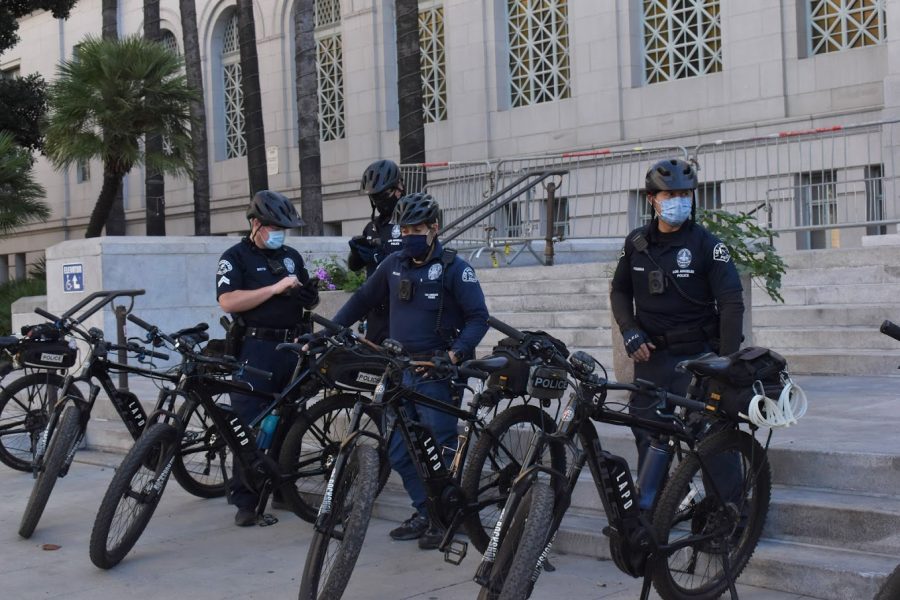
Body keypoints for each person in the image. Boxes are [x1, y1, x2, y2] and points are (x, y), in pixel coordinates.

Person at [331, 192, 489, 549]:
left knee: (439, 446)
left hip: (437, 371)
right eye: (405, 229)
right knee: (400, 450)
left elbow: (478, 318)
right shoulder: (392, 264)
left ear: (434, 228)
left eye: (417, 228)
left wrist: (455, 354)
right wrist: (331, 329)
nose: (409, 235)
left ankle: (445, 516)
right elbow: (361, 300)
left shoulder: (455, 268)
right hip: (399, 370)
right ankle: (425, 511)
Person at [609, 157, 744, 506]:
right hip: (652, 359)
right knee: (648, 436)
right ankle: (660, 507)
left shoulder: (707, 245)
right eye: (670, 194)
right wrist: (629, 330)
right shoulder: (637, 243)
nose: (678, 201)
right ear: (652, 198)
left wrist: (726, 365)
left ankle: (730, 515)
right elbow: (620, 291)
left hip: (699, 358)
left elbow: (731, 304)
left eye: (685, 194)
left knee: (712, 438)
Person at [216, 190, 320, 526]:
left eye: (284, 228)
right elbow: (229, 301)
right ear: (257, 224)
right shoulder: (235, 257)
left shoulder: (290, 256)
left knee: (289, 422)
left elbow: (305, 298)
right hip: (256, 348)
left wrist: (309, 295)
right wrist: (273, 290)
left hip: (292, 348)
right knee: (250, 423)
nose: (280, 233)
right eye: (275, 226)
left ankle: (281, 490)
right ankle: (246, 500)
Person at [346, 159, 406, 343]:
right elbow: (355, 267)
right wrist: (357, 253)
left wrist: (381, 257)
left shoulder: (411, 224)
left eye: (383, 194)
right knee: (371, 367)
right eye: (374, 197)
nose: (379, 201)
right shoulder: (372, 227)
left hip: (401, 311)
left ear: (399, 188)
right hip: (375, 314)